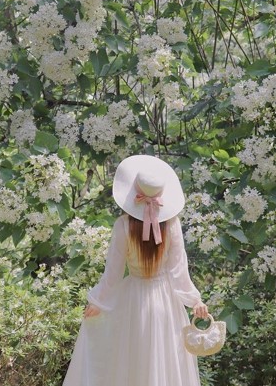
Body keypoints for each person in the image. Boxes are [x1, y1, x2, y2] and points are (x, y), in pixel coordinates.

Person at [62, 155, 210, 386]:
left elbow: (113, 271)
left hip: (133, 302)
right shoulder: (172, 225)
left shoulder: (123, 225)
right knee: (164, 361)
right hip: (166, 302)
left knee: (133, 363)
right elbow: (178, 270)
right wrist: (195, 300)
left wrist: (98, 302)